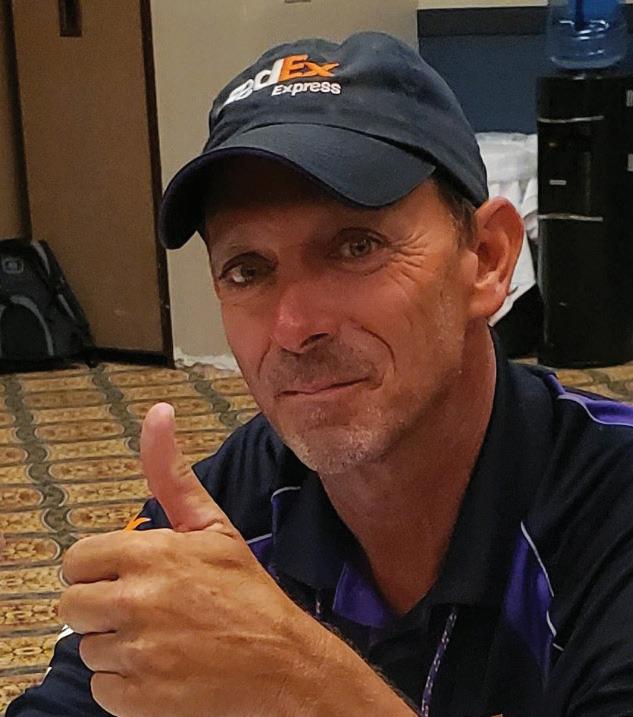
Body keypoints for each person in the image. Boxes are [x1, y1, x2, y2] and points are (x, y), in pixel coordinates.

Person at [7, 31, 633, 717]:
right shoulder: (234, 504)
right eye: (247, 270)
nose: (294, 326)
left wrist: (296, 683)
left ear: (486, 259)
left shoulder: (607, 508)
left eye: (356, 247)